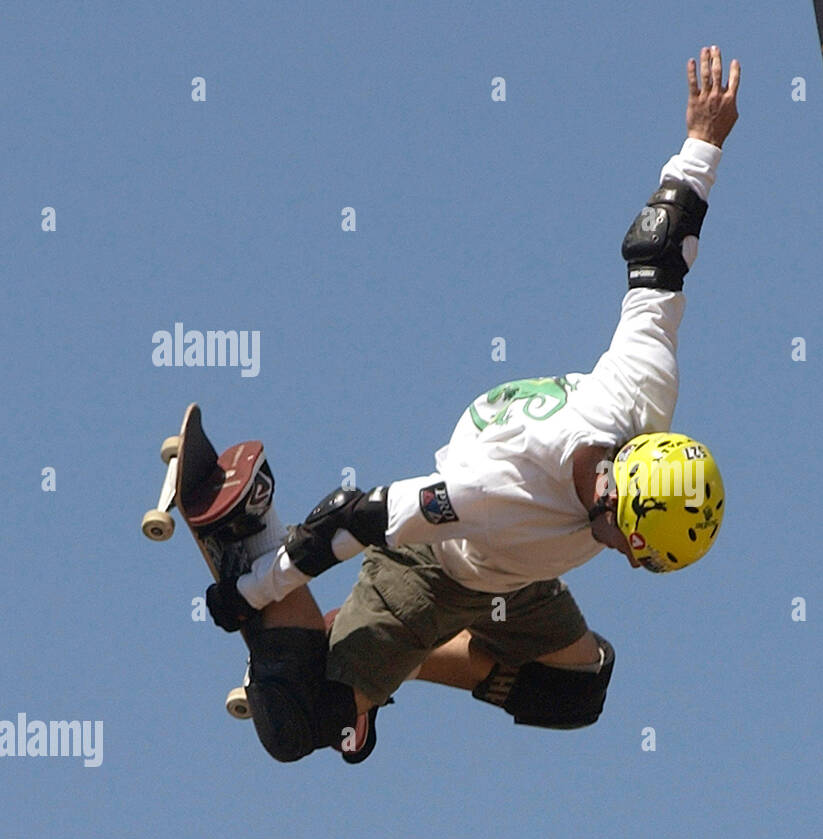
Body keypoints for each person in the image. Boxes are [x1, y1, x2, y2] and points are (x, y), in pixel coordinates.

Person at [207, 46, 741, 764]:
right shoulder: (497, 487)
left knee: (579, 690)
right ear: (618, 494)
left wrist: (702, 140)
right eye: (628, 544)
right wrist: (254, 588)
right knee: (301, 728)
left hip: (515, 581)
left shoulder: (644, 391)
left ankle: (366, 650)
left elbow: (660, 251)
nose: (619, 556)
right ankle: (259, 527)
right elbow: (355, 517)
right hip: (433, 566)